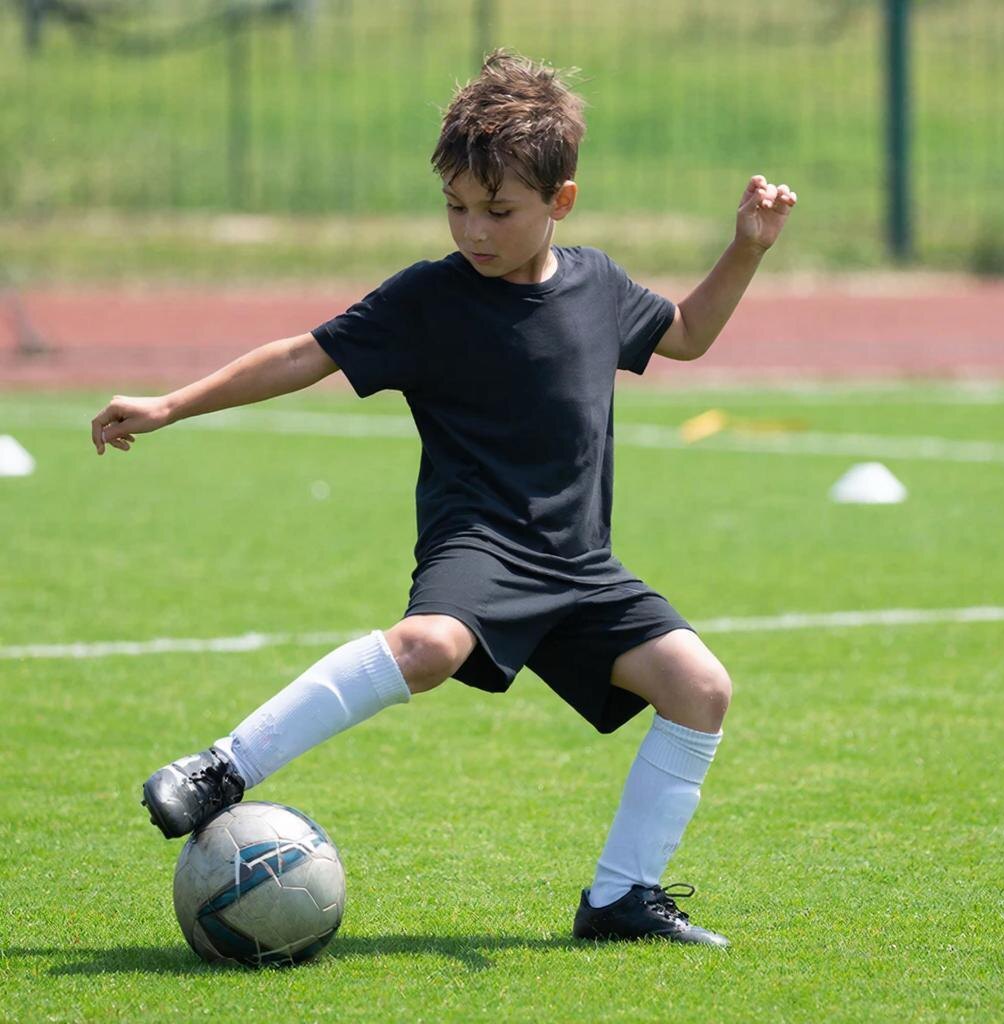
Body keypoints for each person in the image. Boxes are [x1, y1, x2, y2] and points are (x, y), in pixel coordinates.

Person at [90, 50, 796, 948]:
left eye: (498, 211)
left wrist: (747, 247)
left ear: (561, 201)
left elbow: (687, 333)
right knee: (428, 646)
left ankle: (622, 898)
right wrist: (170, 405)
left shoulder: (599, 285)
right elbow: (304, 354)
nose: (473, 230)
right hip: (483, 544)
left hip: (578, 563)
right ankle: (223, 768)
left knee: (700, 688)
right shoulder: (429, 299)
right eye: (456, 206)